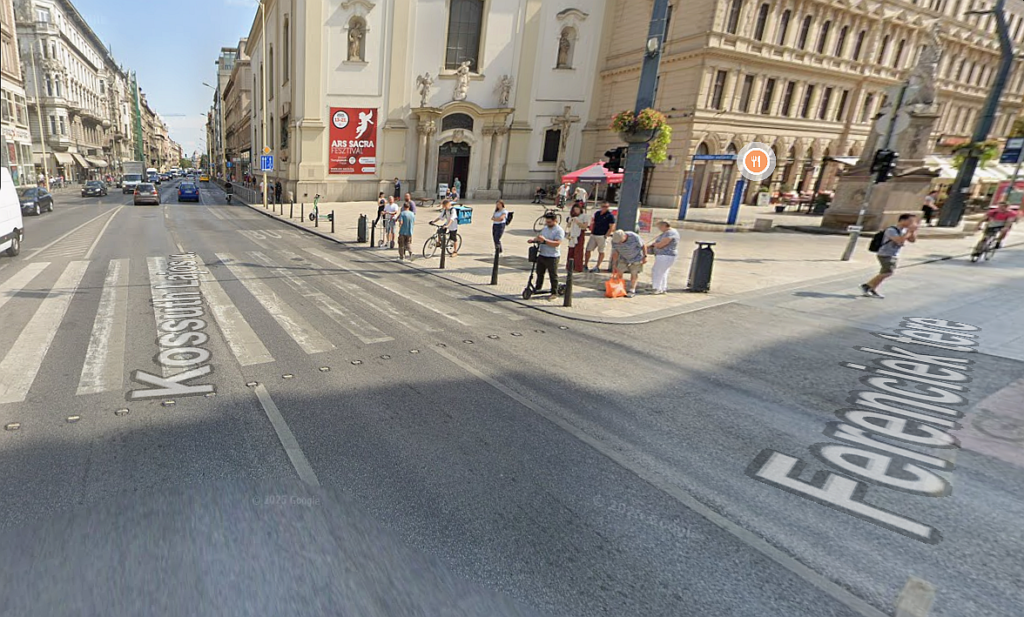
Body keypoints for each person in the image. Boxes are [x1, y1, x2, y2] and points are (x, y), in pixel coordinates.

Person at [861, 213, 918, 299]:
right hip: (885, 253)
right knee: (887, 272)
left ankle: (871, 288)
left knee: (885, 272)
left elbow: (912, 240)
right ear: (902, 220)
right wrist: (909, 231)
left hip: (893, 254)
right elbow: (900, 241)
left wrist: (912, 232)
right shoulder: (891, 230)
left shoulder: (904, 230)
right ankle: (867, 286)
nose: (912, 223)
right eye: (910, 221)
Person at [529, 212, 565, 296]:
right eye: (546, 222)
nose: (547, 223)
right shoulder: (545, 228)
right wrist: (533, 240)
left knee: (553, 275)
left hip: (552, 256)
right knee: (539, 273)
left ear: (555, 220)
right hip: (542, 254)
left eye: (549, 222)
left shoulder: (559, 230)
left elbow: (557, 243)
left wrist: (545, 241)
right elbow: (540, 237)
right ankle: (538, 288)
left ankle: (554, 292)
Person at [611, 229, 647, 298]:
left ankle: (632, 290)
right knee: (619, 272)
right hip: (623, 257)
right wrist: (614, 263)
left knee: (634, 273)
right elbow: (615, 252)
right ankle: (619, 287)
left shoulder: (634, 237)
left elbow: (643, 245)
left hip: (636, 257)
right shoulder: (614, 241)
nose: (619, 243)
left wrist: (645, 256)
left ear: (624, 236)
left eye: (620, 241)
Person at [647, 221, 680, 295]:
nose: (659, 229)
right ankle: (662, 288)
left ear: (664, 226)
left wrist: (655, 244)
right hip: (665, 255)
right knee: (663, 272)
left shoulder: (670, 233)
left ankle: (656, 288)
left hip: (665, 255)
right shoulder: (668, 232)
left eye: (660, 227)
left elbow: (661, 245)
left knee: (657, 271)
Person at [586, 202, 617, 272]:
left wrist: (606, 235)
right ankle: (585, 265)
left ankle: (597, 266)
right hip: (594, 234)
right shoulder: (597, 213)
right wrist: (591, 231)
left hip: (602, 236)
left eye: (606, 207)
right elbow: (594, 223)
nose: (604, 208)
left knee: (601, 251)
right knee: (588, 250)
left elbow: (612, 227)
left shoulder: (610, 216)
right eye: (603, 206)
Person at [564, 203, 588, 273]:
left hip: (579, 234)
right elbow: (568, 226)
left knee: (578, 251)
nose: (576, 211)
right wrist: (570, 221)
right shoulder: (571, 216)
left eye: (577, 209)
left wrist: (577, 222)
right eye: (575, 210)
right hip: (572, 234)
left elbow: (584, 226)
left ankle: (578, 267)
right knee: (571, 250)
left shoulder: (584, 216)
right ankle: (570, 266)